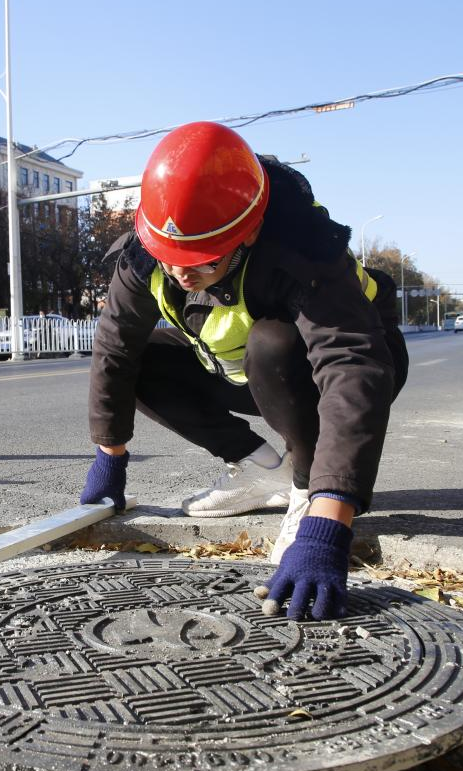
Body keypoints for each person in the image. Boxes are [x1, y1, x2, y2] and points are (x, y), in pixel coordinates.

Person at [79, 122, 408, 621]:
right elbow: (114, 349)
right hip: (232, 365)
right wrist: (110, 454)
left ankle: (303, 486)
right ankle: (261, 472)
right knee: (145, 359)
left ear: (248, 232)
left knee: (273, 341)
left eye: (202, 262)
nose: (182, 273)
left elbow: (350, 367)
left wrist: (330, 518)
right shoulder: (148, 248)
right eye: (172, 260)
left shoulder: (302, 247)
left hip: (336, 364)